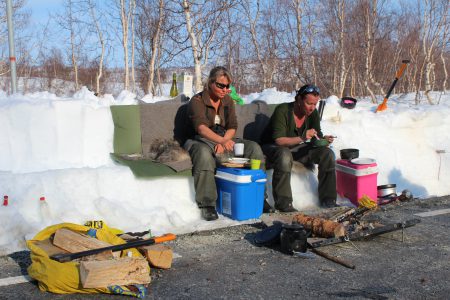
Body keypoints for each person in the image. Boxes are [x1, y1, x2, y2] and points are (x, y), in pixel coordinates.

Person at [184, 66, 265, 221]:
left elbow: (232, 126)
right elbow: (201, 128)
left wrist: (225, 140)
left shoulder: (227, 100)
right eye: (221, 85)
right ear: (210, 83)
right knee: (204, 155)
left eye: (227, 86)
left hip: (223, 137)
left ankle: (260, 195)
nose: (224, 89)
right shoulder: (197, 100)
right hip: (198, 139)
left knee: (253, 148)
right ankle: (207, 204)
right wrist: (219, 140)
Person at [261, 84, 337, 210]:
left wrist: (324, 140)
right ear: (299, 99)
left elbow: (316, 137)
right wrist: (302, 138)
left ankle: (328, 200)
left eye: (315, 104)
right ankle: (284, 204)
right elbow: (279, 140)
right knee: (285, 154)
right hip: (272, 148)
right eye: (309, 103)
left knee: (327, 154)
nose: (312, 107)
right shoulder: (283, 110)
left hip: (295, 148)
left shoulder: (312, 113)